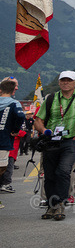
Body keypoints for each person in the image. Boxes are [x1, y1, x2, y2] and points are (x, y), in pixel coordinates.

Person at [34, 71, 75, 221]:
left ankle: (60, 203)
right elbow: (38, 119)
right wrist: (44, 130)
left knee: (63, 171)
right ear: (59, 82)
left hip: (71, 140)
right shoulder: (51, 98)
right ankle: (51, 205)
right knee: (50, 174)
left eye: (69, 80)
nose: (65, 82)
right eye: (63, 80)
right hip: (51, 141)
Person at [0, 78, 26, 209]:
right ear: (12, 90)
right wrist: (15, 130)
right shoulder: (14, 103)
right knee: (2, 168)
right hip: (4, 140)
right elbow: (21, 116)